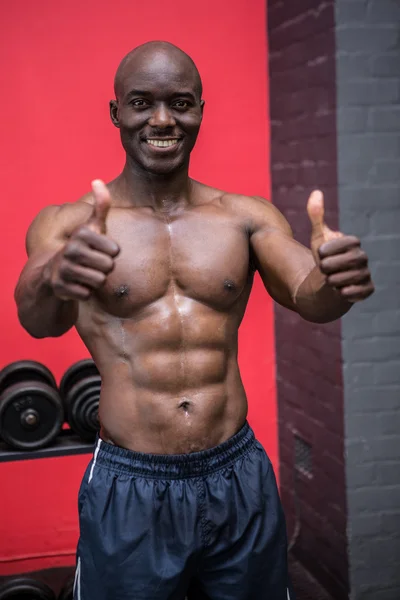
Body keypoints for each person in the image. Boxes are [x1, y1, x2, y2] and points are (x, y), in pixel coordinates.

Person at [15, 41, 374, 600]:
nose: (162, 119)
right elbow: (38, 321)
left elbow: (311, 297)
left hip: (239, 475)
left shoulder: (245, 217)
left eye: (180, 103)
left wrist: (336, 280)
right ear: (116, 113)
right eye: (141, 103)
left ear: (201, 110)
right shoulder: (66, 225)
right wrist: (55, 275)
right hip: (131, 485)